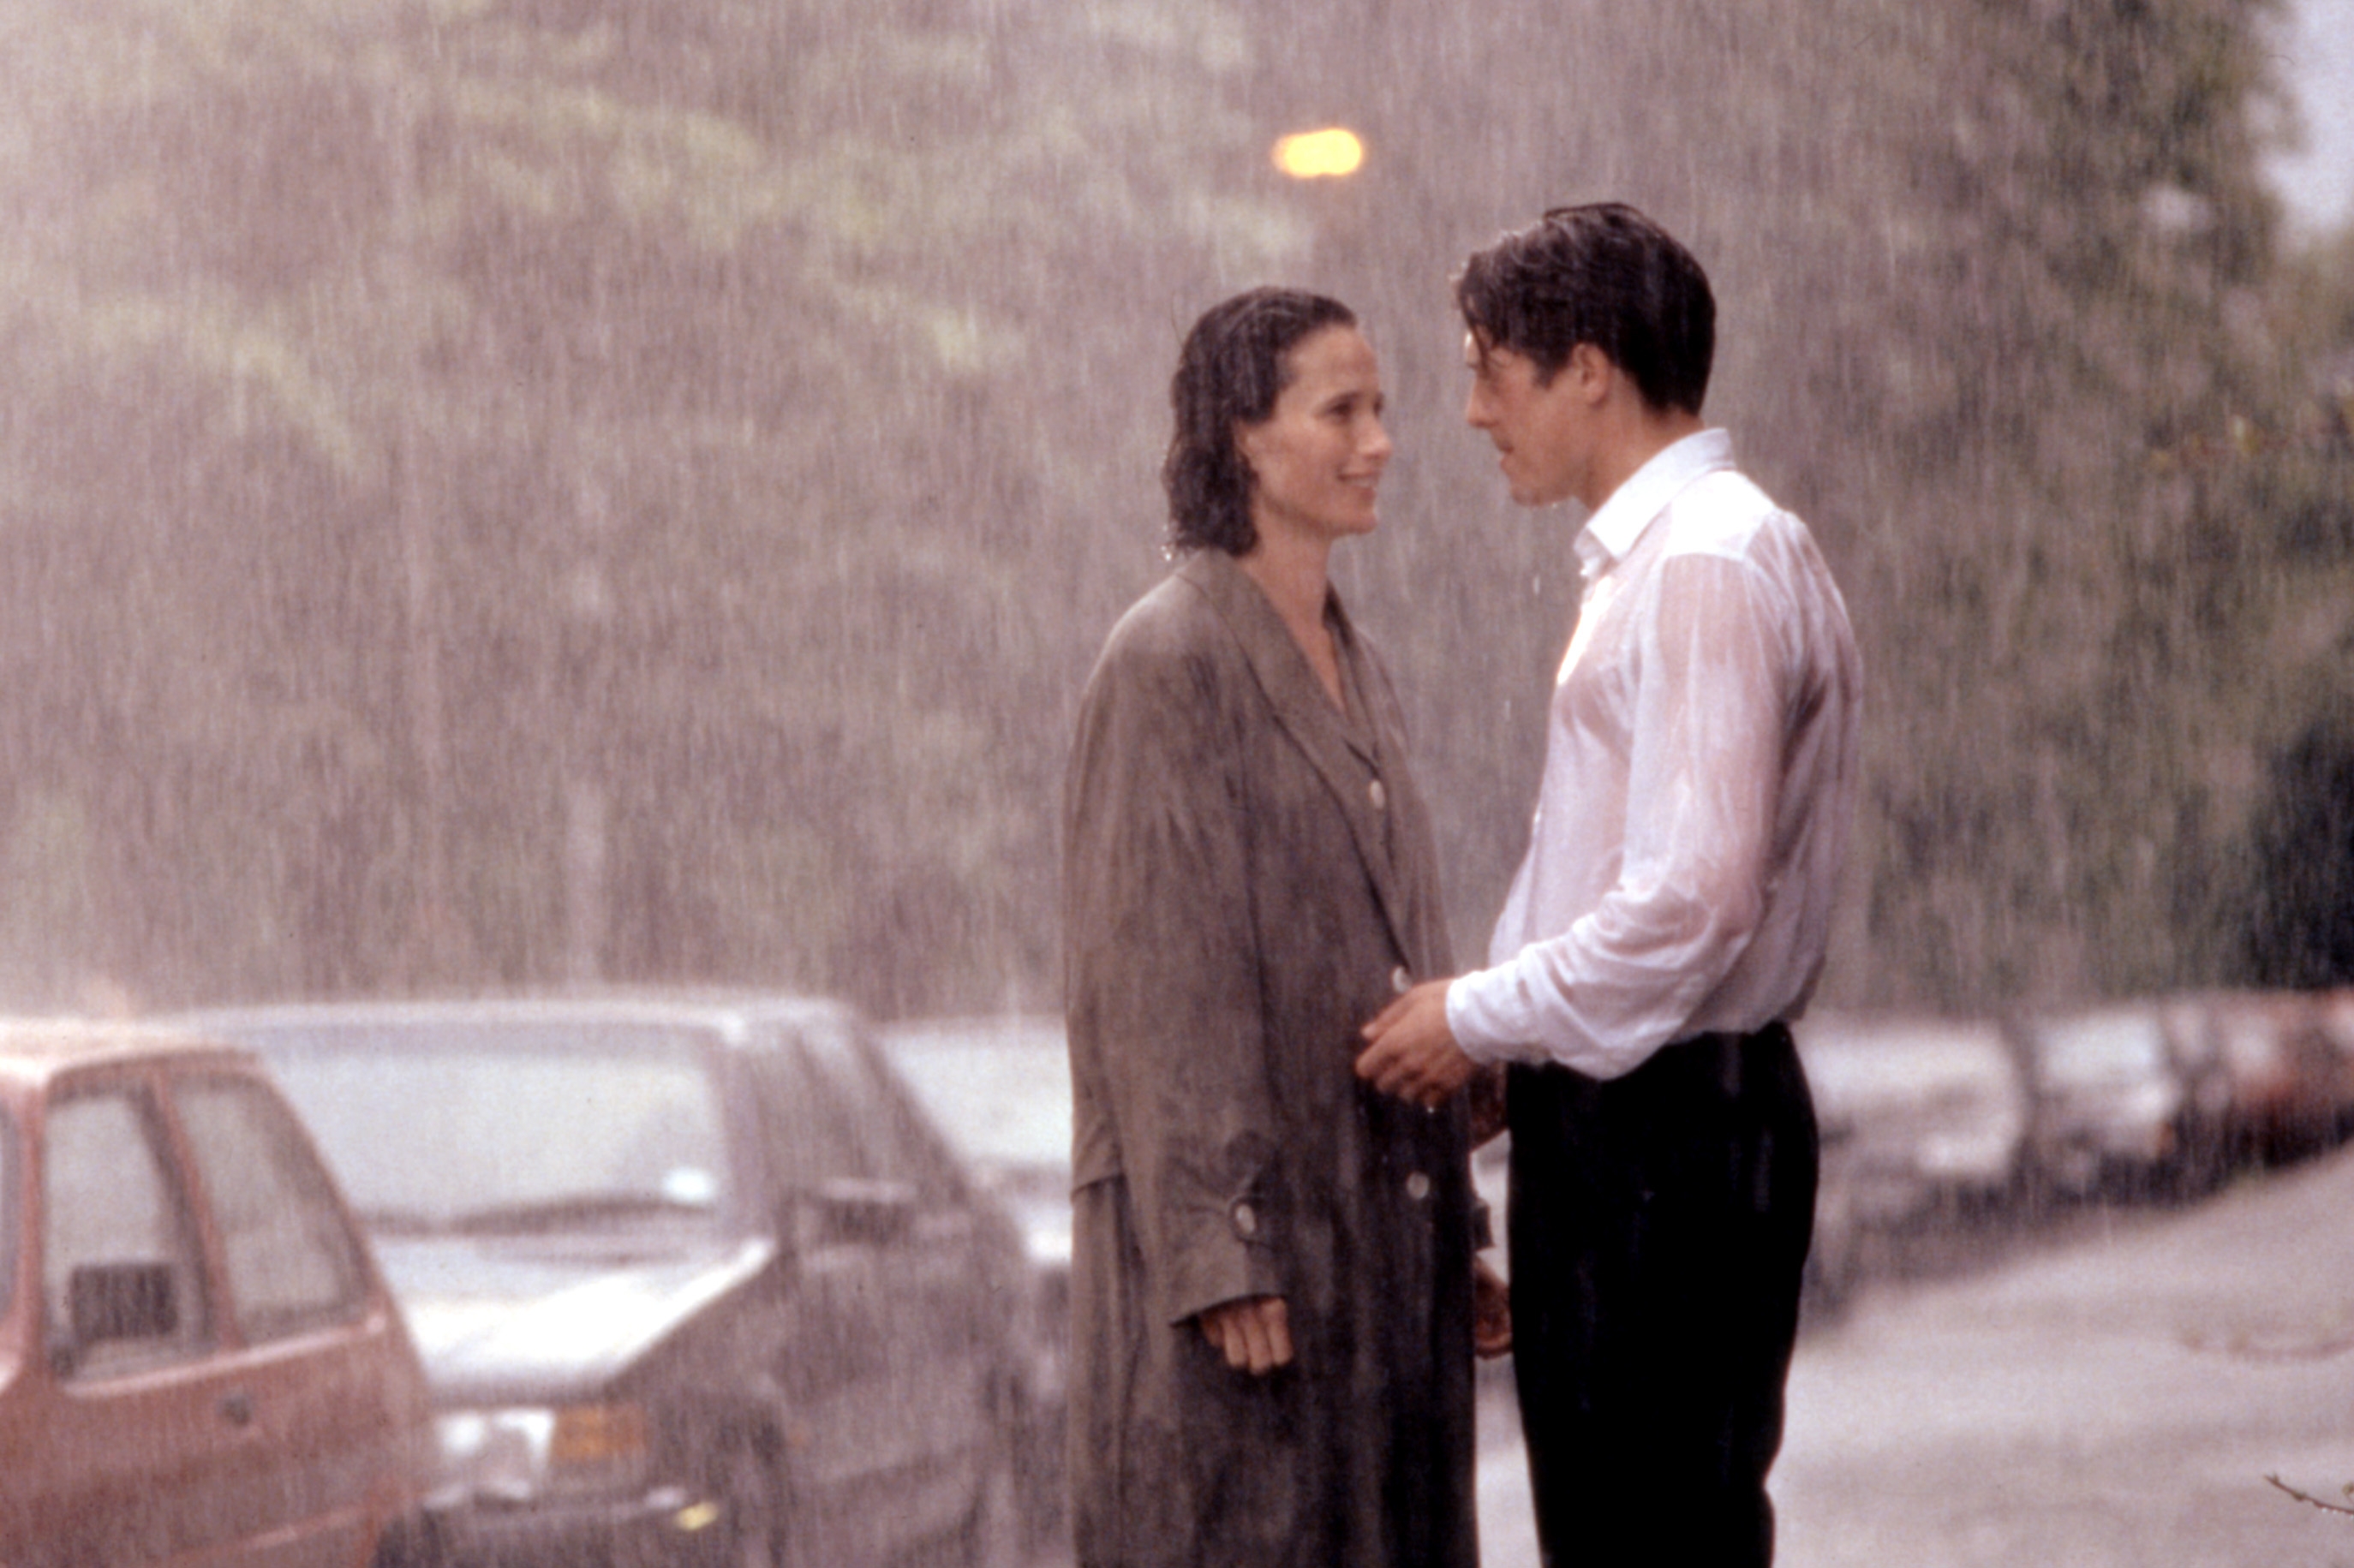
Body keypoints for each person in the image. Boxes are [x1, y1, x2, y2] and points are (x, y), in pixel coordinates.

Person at [1355, 203, 1863, 1567]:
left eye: (1488, 369)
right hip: (1673, 1115)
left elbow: (1692, 901)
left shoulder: (1701, 561)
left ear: (1587, 367)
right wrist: (1521, 1061)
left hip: (1664, 1137)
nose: (1470, 413)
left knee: (1640, 1533)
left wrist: (1479, 1015)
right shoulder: (1701, 549)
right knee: (1649, 1521)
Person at [1061, 287, 1497, 1568]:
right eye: (1341, 411)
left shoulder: (1362, 663)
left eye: (1383, 411)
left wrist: (1458, 1225)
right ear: (1243, 437)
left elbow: (1409, 946)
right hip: (1257, 1273)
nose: (1381, 441)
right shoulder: (1170, 660)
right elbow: (1154, 973)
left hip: (1382, 1242)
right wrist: (1217, 1243)